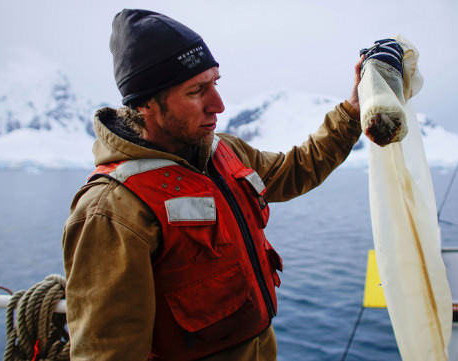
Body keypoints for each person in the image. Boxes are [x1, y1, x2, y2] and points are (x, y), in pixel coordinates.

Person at [62, 8, 368, 361]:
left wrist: (352, 112)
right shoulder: (112, 209)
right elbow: (109, 353)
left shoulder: (224, 151)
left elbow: (294, 170)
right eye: (196, 91)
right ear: (145, 103)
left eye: (215, 83)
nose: (218, 105)